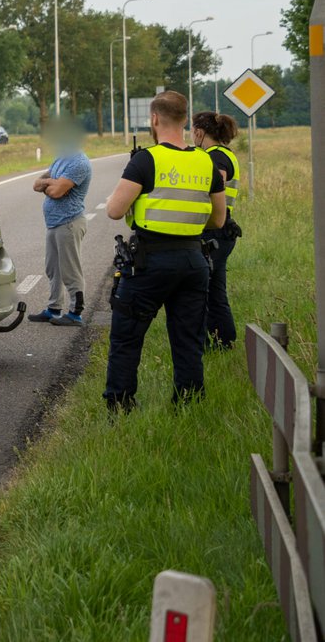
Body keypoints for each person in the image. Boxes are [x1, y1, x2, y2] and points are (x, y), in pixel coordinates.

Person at [101, 91, 226, 411]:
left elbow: (115, 211)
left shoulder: (146, 159)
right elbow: (219, 218)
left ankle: (120, 404)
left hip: (149, 261)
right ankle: (188, 404)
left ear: (154, 119)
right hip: (194, 260)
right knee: (189, 340)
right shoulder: (205, 161)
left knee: (127, 336)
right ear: (186, 120)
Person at [28, 119, 92, 325]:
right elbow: (37, 184)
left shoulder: (79, 163)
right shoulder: (60, 159)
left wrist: (51, 185)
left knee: (70, 270)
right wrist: (51, 182)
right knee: (52, 268)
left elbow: (55, 192)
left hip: (69, 222)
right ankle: (54, 308)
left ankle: (75, 312)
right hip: (54, 223)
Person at [192, 111, 243, 350]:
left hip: (215, 231)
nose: (191, 136)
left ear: (200, 133)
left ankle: (207, 342)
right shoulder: (224, 154)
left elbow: (214, 189)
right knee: (215, 290)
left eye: (192, 131)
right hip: (223, 231)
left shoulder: (215, 158)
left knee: (202, 290)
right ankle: (224, 340)